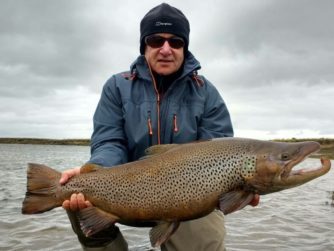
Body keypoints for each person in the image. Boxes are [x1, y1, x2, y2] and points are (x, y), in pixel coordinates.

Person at [60, 3, 259, 251]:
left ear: (184, 48)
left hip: (187, 202)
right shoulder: (116, 86)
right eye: (156, 40)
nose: (166, 49)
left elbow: (218, 151)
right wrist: (96, 170)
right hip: (123, 196)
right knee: (78, 207)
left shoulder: (205, 92)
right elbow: (109, 142)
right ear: (144, 46)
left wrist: (238, 190)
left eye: (175, 42)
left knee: (204, 231)